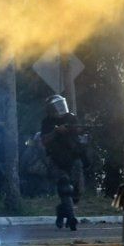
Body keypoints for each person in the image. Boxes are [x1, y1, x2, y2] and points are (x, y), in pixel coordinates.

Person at [40, 94, 84, 231]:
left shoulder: (71, 118)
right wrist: (56, 131)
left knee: (75, 195)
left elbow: (79, 132)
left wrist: (79, 130)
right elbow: (44, 141)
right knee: (65, 188)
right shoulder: (47, 122)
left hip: (73, 158)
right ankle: (71, 219)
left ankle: (61, 211)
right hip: (57, 160)